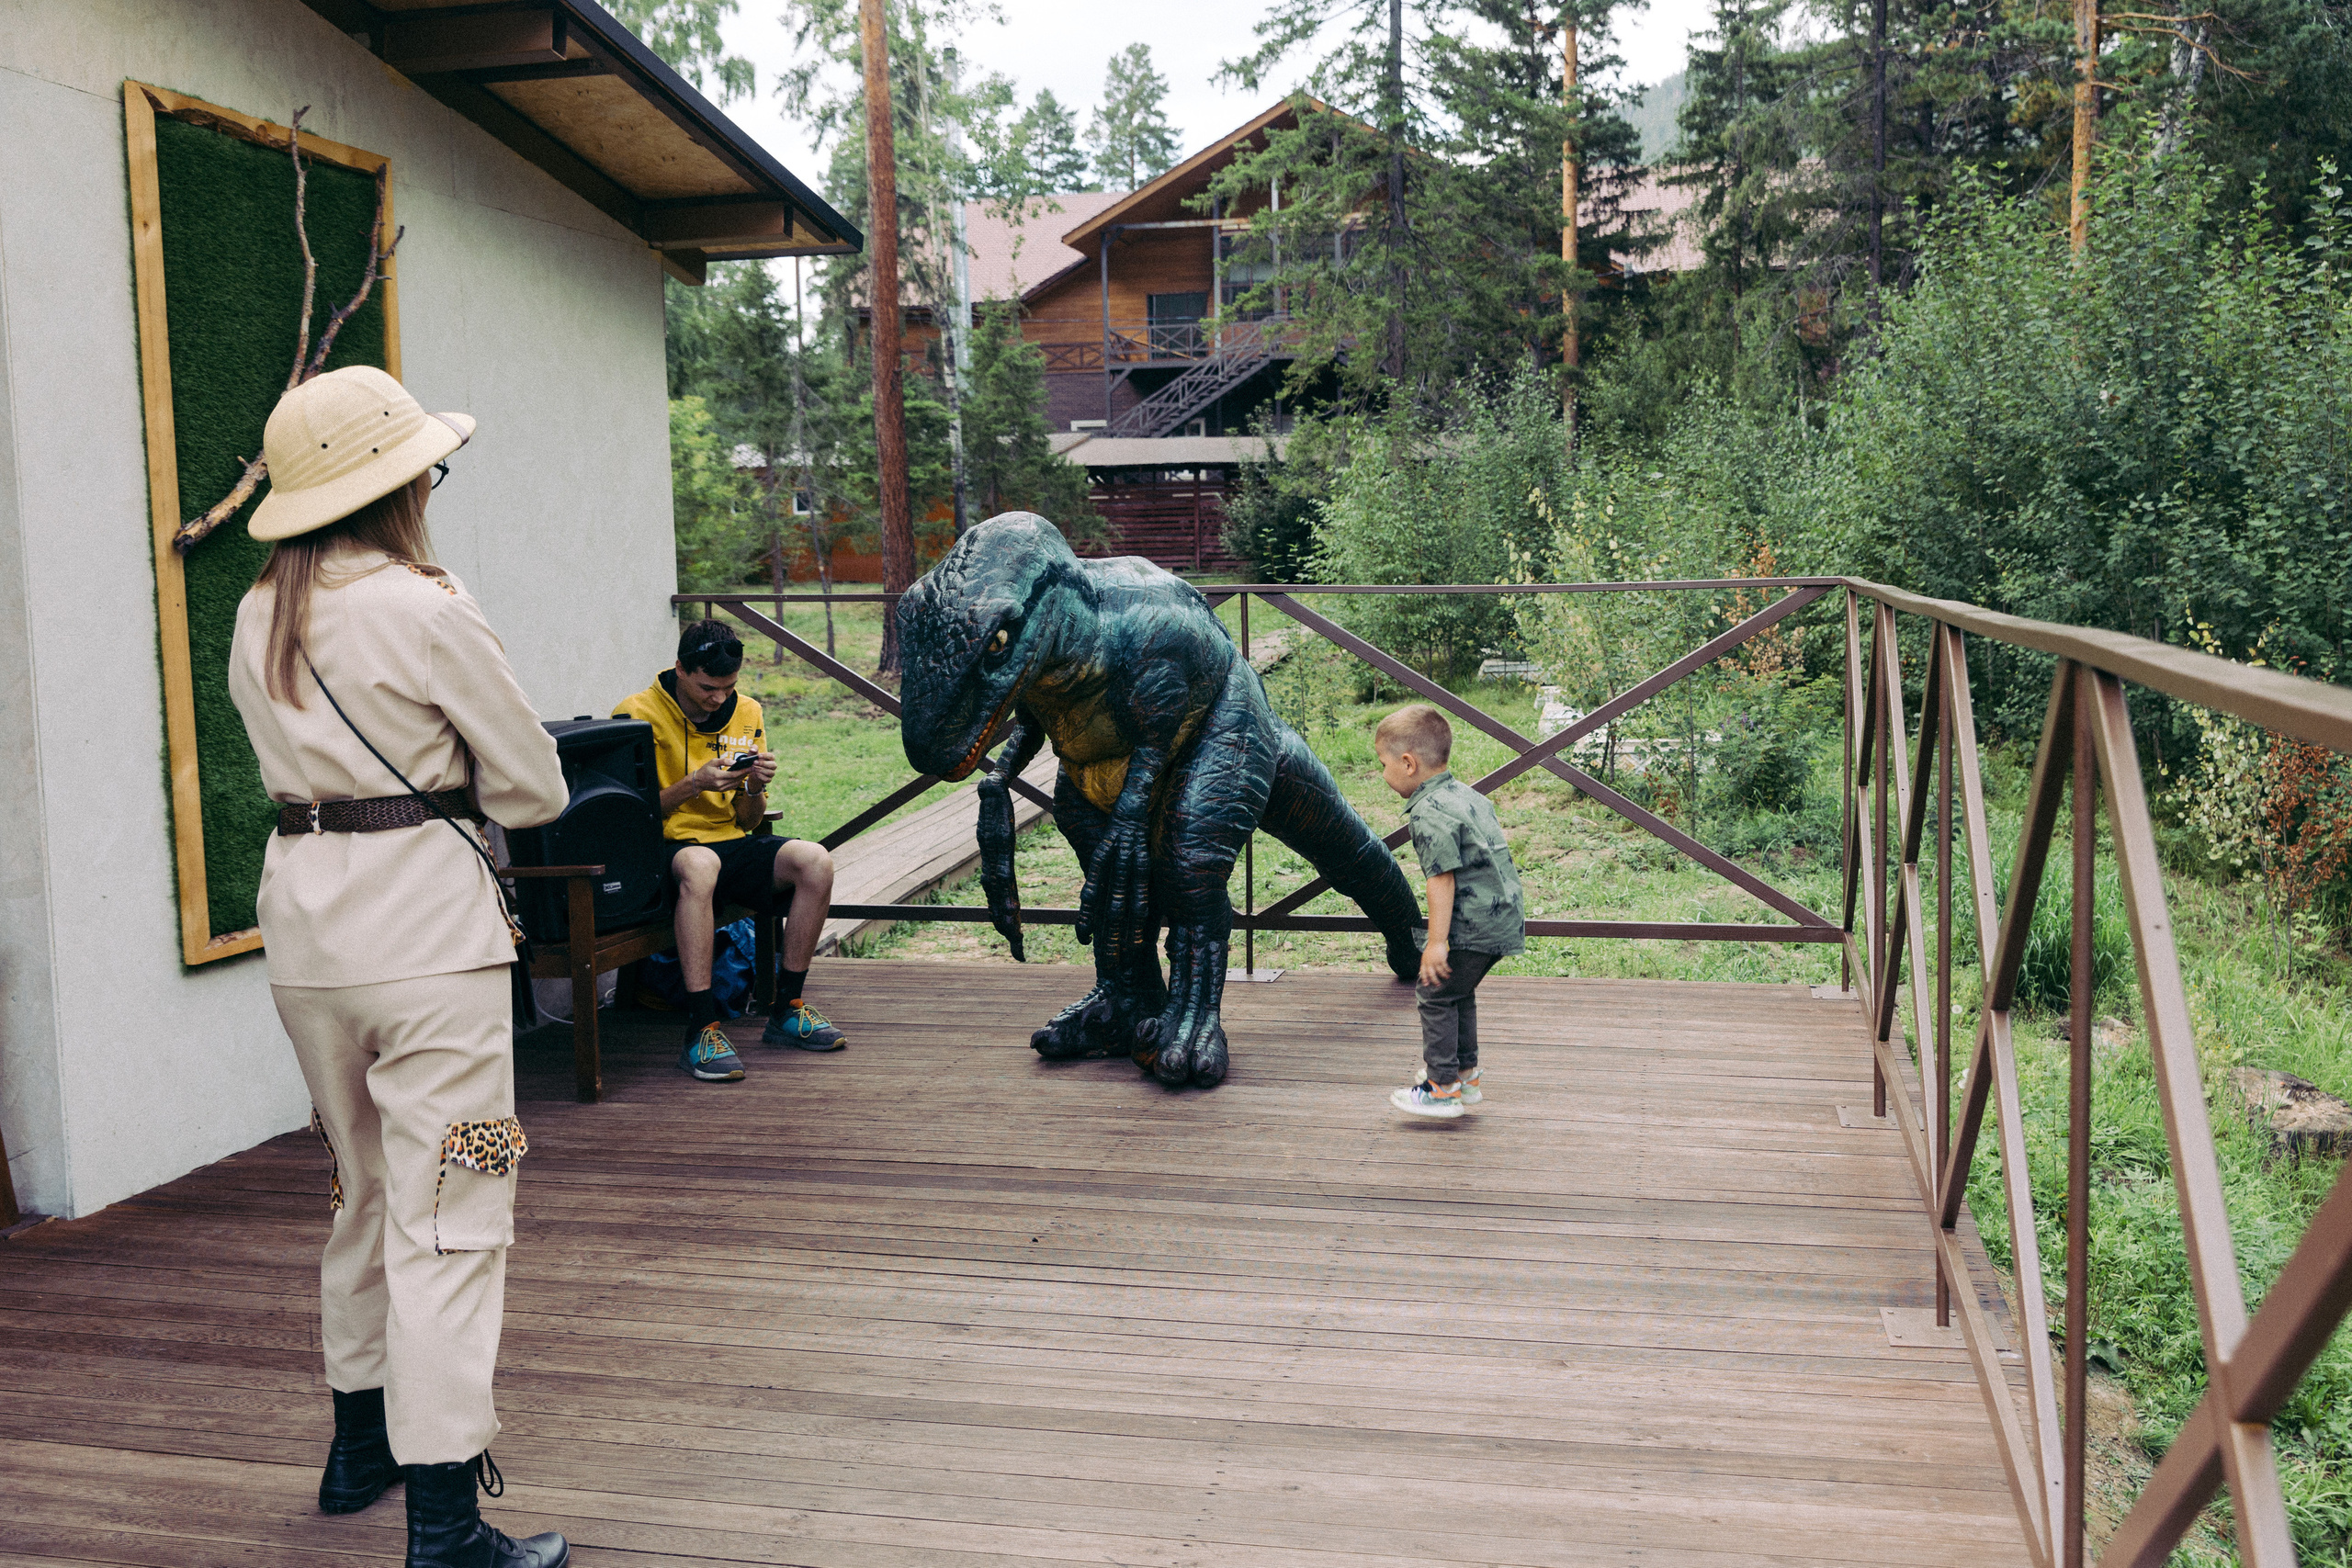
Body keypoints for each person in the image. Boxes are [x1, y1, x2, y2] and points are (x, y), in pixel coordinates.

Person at [227, 365, 571, 1567]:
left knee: (361, 1188)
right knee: (454, 1214)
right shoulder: (427, 604)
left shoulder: (257, 606)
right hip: (429, 942)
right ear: (396, 483)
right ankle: (444, 1523)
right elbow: (536, 786)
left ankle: (357, 1442)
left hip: (309, 943)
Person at [613, 622, 843, 1081]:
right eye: (707, 687)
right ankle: (701, 1028)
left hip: (730, 843)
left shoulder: (748, 712)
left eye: (728, 687)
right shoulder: (635, 714)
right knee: (701, 864)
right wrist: (692, 784)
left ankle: (787, 1008)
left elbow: (749, 821)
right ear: (679, 669)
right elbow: (629, 815)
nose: (719, 699)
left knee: (815, 860)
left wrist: (754, 787)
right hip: (667, 850)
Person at [1374, 704, 1526, 1120]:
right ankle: (1465, 1074)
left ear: (1408, 764)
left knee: (1435, 993)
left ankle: (1441, 1089)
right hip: (1502, 915)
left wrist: (1436, 943)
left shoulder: (1428, 812)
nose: (1381, 774)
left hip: (1472, 925)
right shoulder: (1466, 795)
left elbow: (1441, 878)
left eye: (1382, 764)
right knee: (1458, 991)